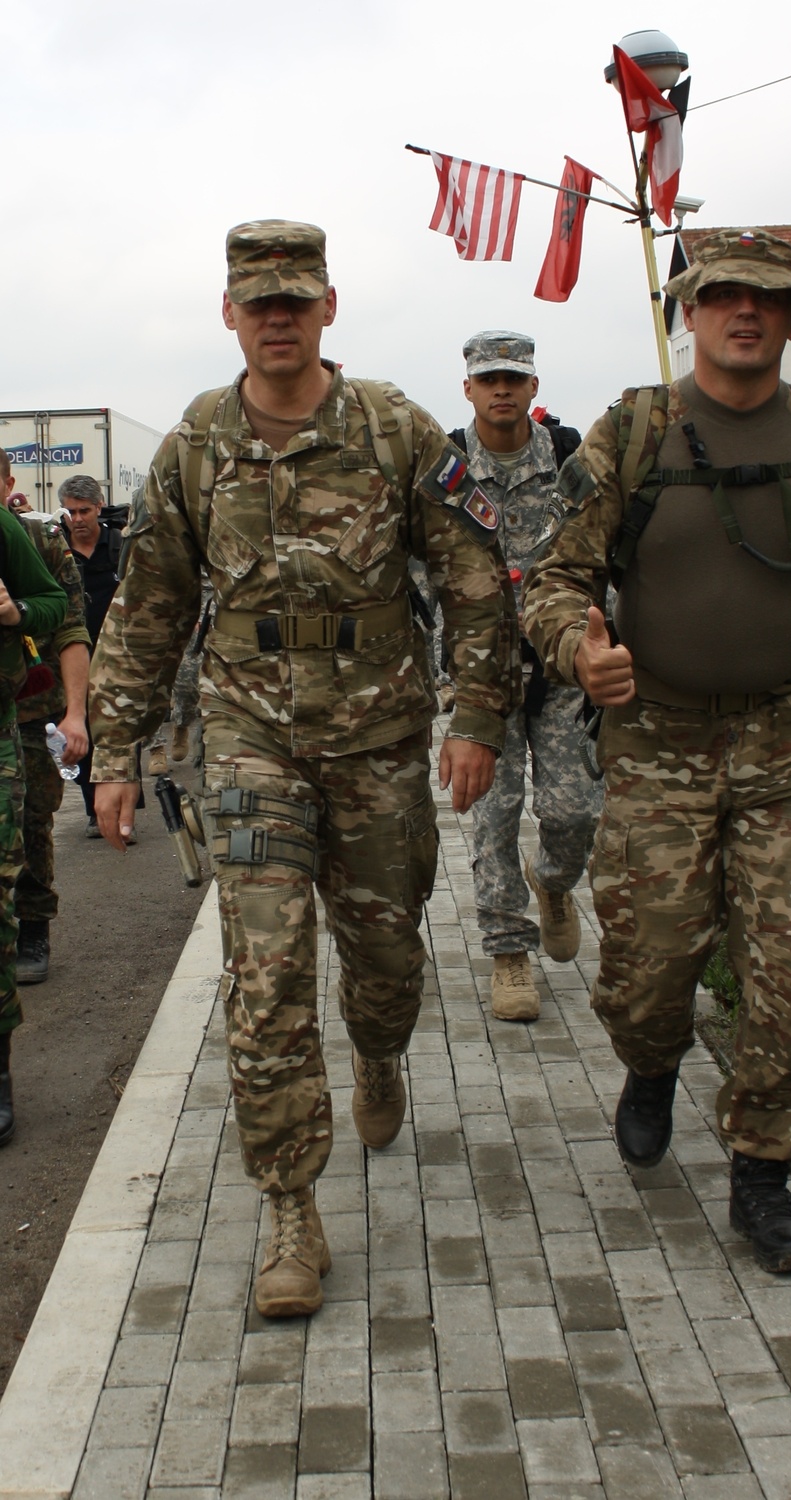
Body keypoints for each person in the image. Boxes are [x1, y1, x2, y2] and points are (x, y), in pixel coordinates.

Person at [88, 219, 517, 1317]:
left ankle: (379, 1055)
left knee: (384, 961)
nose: (278, 318)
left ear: (329, 307)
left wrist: (476, 715)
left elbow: (472, 572)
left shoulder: (393, 428)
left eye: (296, 299)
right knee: (267, 970)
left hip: (377, 741)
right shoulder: (196, 443)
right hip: (250, 738)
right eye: (258, 302)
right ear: (229, 314)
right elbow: (148, 608)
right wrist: (118, 748)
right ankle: (288, 1206)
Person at [521, 229, 791, 1274]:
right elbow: (551, 580)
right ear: (689, 310)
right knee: (646, 968)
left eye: (767, 298)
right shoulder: (633, 431)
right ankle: (650, 1060)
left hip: (788, 742)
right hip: (657, 744)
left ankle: (762, 1174)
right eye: (721, 295)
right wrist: (580, 651)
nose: (744, 313)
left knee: (786, 970)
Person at [454, 331, 599, 1022]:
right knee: (493, 816)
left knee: (574, 811)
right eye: (489, 380)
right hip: (484, 680)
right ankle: (509, 953)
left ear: (534, 387)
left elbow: (602, 544)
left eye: (514, 377)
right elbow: (426, 564)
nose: (502, 390)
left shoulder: (570, 461)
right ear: (469, 390)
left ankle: (556, 881)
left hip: (562, 668)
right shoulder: (449, 470)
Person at [0, 451, 90, 985]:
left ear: (9, 482)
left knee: (33, 819)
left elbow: (72, 627)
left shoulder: (39, 542)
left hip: (34, 712)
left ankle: (34, 923)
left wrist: (76, 716)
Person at [0, 503, 67, 1145]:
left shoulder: (14, 533)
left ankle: (34, 926)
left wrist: (16, 611)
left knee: (27, 830)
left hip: (20, 715)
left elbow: (59, 611)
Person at [59, 475, 143, 840]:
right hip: (73, 656)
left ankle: (125, 810)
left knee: (121, 727)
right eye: (71, 512)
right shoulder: (56, 550)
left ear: (98, 507)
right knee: (79, 733)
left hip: (117, 655)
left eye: (85, 511)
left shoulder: (120, 545)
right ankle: (94, 805)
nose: (78, 519)